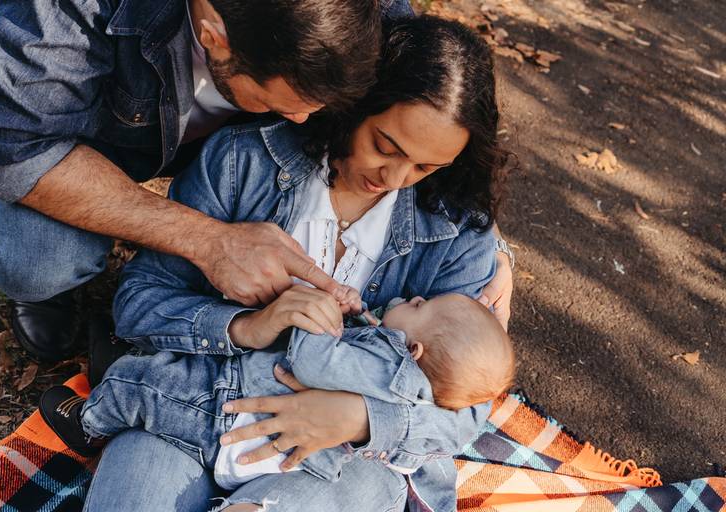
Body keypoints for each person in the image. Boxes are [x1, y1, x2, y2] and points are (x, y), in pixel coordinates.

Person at [84, 16, 512, 512]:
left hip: (345, 461)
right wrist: (246, 326)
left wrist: (360, 418)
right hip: (198, 410)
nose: (396, 177)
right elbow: (140, 303)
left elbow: (468, 407)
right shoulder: (243, 163)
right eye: (384, 146)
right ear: (353, 105)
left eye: (426, 167)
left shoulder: (458, 232)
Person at [0, 0, 418, 362]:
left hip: (235, 156)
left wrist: (487, 237)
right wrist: (209, 241)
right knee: (42, 262)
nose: (302, 120)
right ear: (213, 39)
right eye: (281, 102)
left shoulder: (363, 12)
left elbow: (432, 97)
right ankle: (59, 286)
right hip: (93, 140)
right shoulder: (72, 6)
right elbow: (23, 149)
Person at [39, 292, 514, 495]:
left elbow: (312, 361)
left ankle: (88, 423)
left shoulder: (387, 363)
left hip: (227, 411)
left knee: (142, 387)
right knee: (159, 384)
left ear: (413, 349)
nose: (411, 298)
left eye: (419, 305)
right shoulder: (422, 388)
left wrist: (316, 313)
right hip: (272, 449)